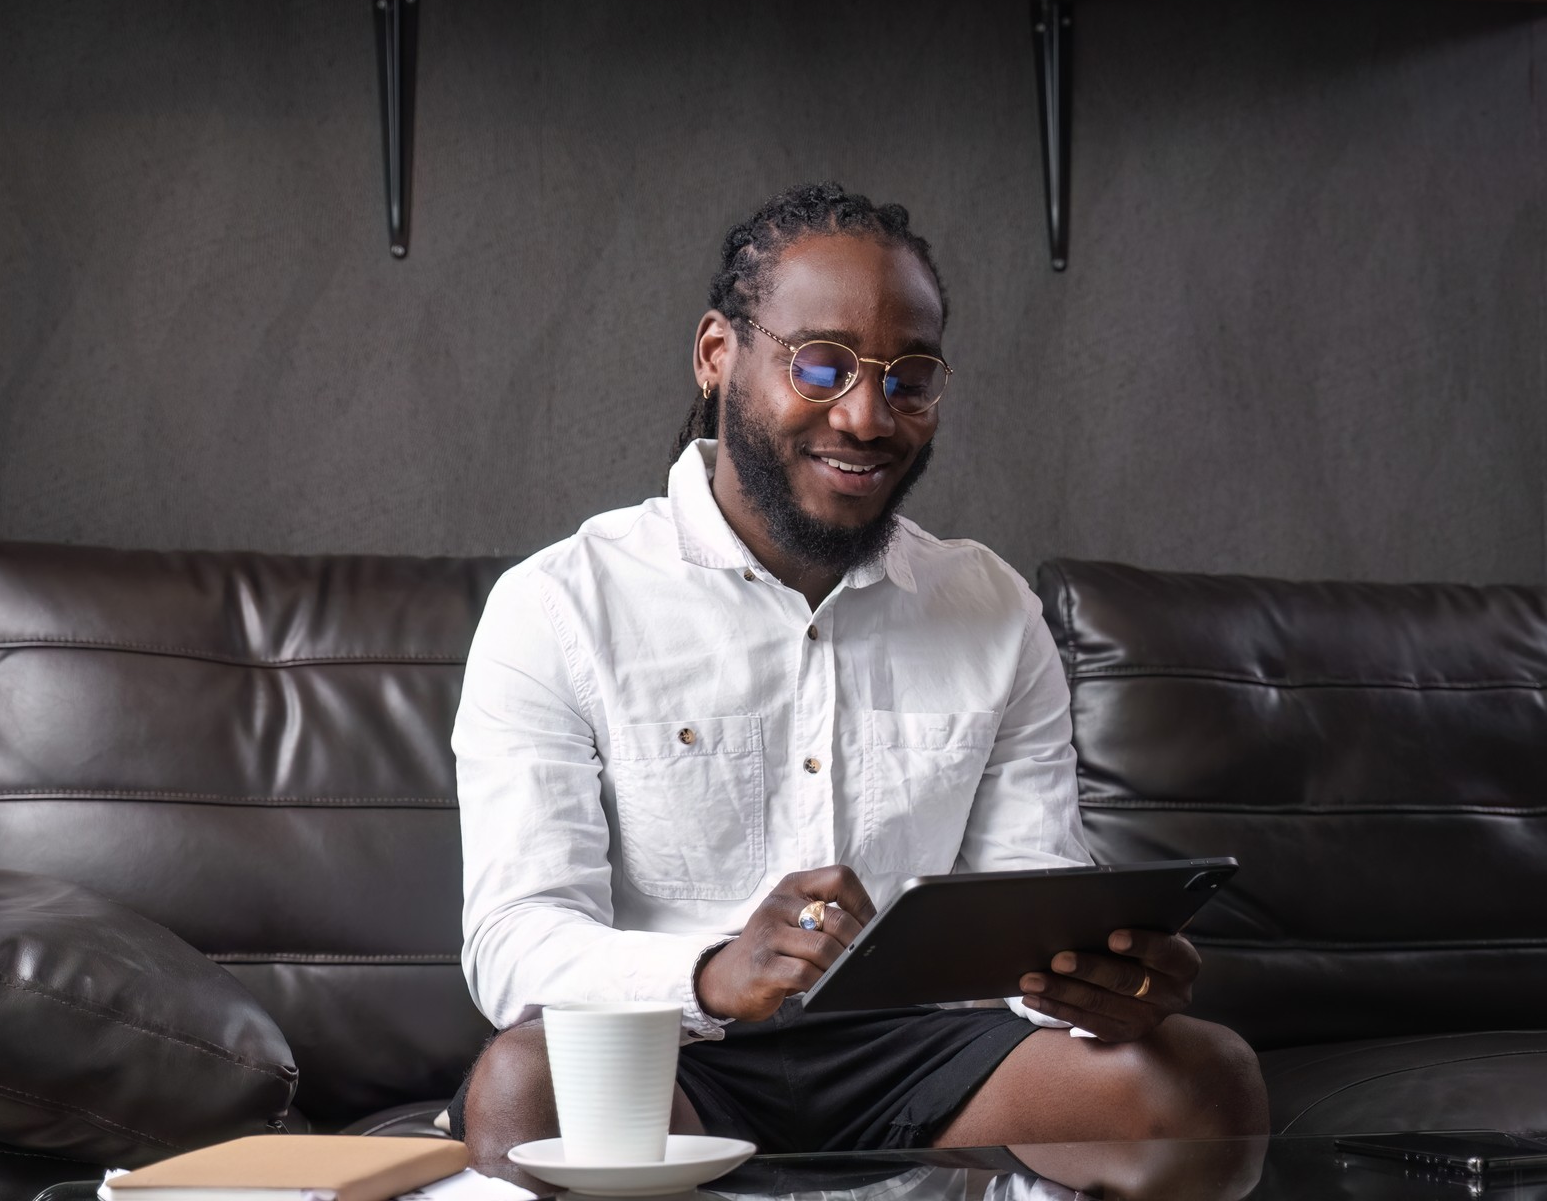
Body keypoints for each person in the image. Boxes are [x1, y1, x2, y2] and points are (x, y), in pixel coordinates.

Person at [450, 182, 1266, 1164]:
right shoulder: (561, 603)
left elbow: (1027, 898)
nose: (868, 417)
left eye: (908, 378)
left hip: (930, 1052)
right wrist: (712, 970)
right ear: (719, 355)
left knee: (1201, 1080)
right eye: (822, 364)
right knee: (523, 1083)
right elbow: (514, 943)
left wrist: (1088, 984)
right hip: (679, 1052)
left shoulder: (991, 609)